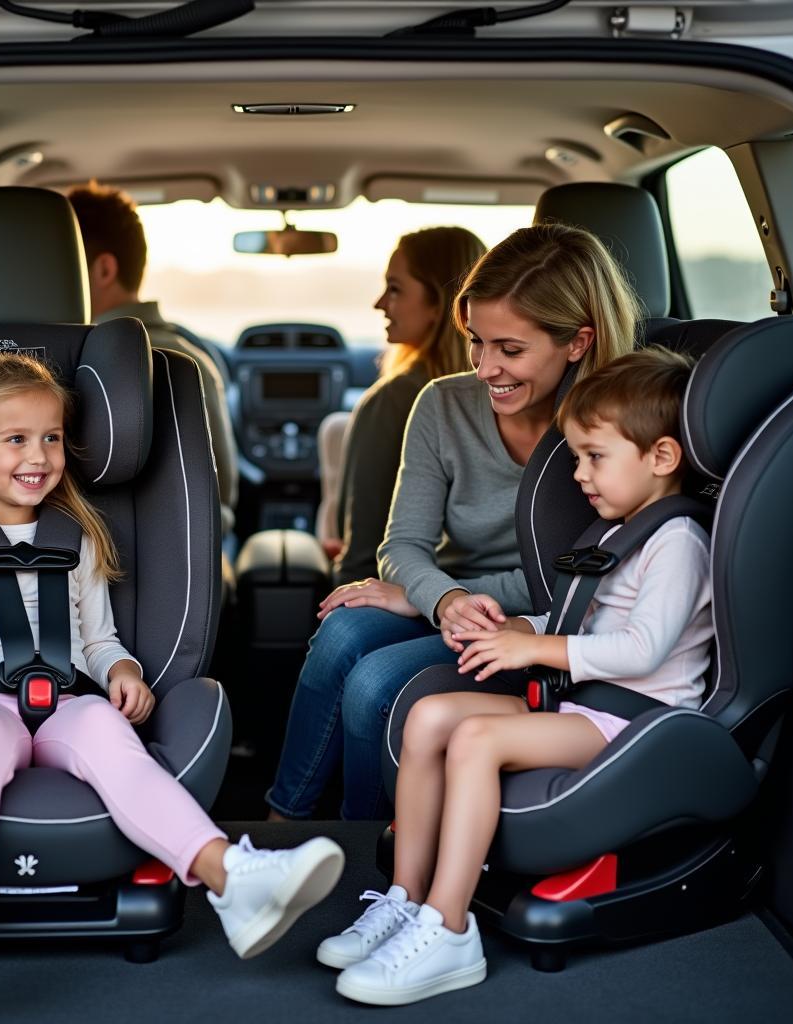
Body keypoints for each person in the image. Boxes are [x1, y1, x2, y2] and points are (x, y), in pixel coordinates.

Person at [0, 353, 343, 988]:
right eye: (15, 439)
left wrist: (123, 669)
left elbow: (97, 639)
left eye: (51, 438)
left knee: (116, 743)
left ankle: (231, 879)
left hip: (64, 704)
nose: (38, 456)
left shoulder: (79, 539)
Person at [321, 346, 713, 1006]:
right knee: (430, 716)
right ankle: (405, 897)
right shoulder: (621, 529)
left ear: (662, 458)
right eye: (578, 456)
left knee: (476, 739)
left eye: (596, 457)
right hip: (587, 707)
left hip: (637, 719)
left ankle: (449, 930)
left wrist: (538, 651)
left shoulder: (678, 543)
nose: (580, 474)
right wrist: (518, 630)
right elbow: (583, 616)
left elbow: (643, 651)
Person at [267, 223, 639, 822]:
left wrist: (430, 601)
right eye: (475, 342)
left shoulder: (609, 433)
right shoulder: (442, 402)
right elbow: (404, 544)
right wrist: (440, 599)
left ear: (577, 342)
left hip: (542, 623)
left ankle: (367, 845)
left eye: (510, 349)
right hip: (452, 605)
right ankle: (285, 822)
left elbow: (577, 578)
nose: (486, 368)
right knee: (342, 633)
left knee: (374, 683)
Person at [67, 183, 239, 535]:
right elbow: (222, 496)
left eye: (58, 265)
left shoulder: (41, 369)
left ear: (103, 270)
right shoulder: (187, 362)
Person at [330, 226, 487, 585]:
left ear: (439, 304)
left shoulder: (393, 400)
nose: (380, 303)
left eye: (395, 289)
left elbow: (363, 553)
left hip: (412, 594)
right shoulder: (514, 393)